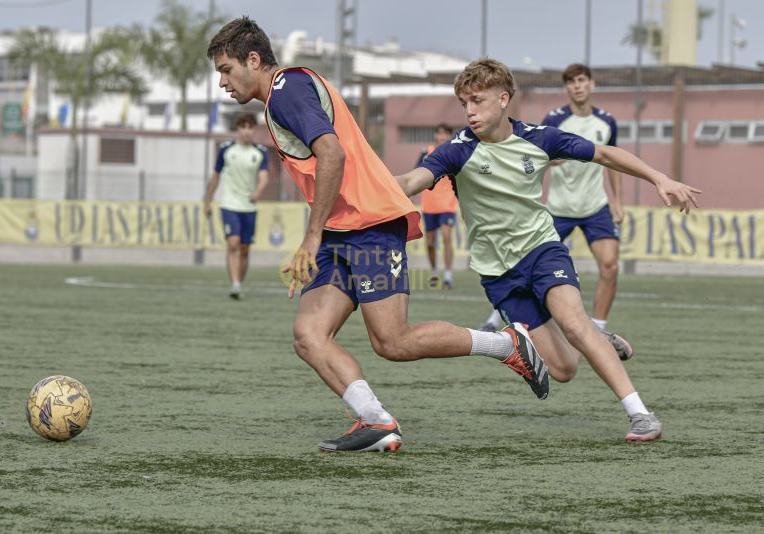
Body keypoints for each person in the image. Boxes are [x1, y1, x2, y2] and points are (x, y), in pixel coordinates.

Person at [207, 18, 550, 453]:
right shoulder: (283, 95)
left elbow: (332, 153)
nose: (221, 81)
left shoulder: (285, 90)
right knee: (309, 335)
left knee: (392, 341)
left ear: (253, 60)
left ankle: (506, 344)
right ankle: (376, 421)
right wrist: (318, 235)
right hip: (340, 229)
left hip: (369, 224)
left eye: (225, 69)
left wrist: (311, 238)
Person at [394, 59, 700, 442]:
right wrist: (362, 188)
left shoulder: (541, 138)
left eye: (478, 100)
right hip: (497, 273)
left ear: (503, 99)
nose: (470, 111)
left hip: (541, 250)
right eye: (464, 103)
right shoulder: (457, 150)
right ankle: (599, 338)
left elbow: (604, 154)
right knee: (564, 369)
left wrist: (660, 177)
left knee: (573, 322)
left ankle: (640, 414)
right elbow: (410, 179)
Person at [480, 64, 629, 359]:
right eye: (572, 82)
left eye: (582, 80)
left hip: (595, 206)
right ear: (567, 88)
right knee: (520, 263)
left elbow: (612, 161)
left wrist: (617, 201)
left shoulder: (607, 121)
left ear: (592, 84)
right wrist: (551, 160)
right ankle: (495, 320)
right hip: (559, 208)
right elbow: (533, 156)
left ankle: (597, 330)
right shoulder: (556, 119)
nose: (578, 86)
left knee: (610, 265)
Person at [204, 113, 269, 299]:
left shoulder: (260, 152)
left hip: (249, 206)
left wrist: (259, 191)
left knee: (244, 248)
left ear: (253, 129)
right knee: (233, 243)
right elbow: (215, 176)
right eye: (243, 127)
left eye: (250, 127)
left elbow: (264, 177)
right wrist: (208, 201)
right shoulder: (226, 150)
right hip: (229, 204)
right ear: (238, 128)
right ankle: (235, 283)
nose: (247, 131)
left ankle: (239, 282)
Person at [418, 123, 458, 289]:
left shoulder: (454, 153)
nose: (440, 137)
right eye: (438, 133)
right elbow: (417, 174)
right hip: (429, 205)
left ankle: (448, 276)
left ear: (449, 136)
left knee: (447, 236)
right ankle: (435, 272)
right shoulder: (425, 153)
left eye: (444, 134)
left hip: (448, 204)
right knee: (430, 242)